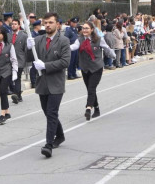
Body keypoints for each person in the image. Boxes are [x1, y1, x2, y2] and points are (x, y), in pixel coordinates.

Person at [27, 12, 71, 158]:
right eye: (45, 22)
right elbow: (30, 58)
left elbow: (65, 62)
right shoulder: (38, 40)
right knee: (48, 113)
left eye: (51, 22)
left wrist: (45, 65)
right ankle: (60, 135)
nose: (47, 25)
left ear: (57, 24)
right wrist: (28, 48)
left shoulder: (63, 40)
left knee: (52, 113)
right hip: (42, 83)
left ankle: (48, 145)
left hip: (56, 83)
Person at [76, 21, 115, 120]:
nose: (84, 30)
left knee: (91, 88)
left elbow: (106, 48)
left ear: (92, 29)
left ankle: (88, 108)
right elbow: (74, 47)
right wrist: (63, 49)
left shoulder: (98, 39)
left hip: (96, 67)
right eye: (83, 28)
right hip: (85, 68)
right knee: (90, 89)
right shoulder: (79, 39)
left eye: (87, 28)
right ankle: (97, 108)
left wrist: (113, 56)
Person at [10, 18, 28, 104]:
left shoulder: (23, 36)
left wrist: (25, 60)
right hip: (10, 61)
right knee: (11, 78)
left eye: (15, 24)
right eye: (12, 24)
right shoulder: (8, 35)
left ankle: (16, 95)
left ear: (19, 25)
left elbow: (26, 49)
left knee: (17, 77)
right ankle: (18, 95)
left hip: (20, 60)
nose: (13, 25)